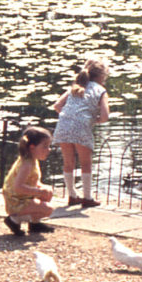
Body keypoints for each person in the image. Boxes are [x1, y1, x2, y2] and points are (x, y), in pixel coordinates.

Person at [52, 58, 110, 208]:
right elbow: (105, 116)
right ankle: (87, 198)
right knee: (86, 163)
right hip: (82, 125)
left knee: (68, 161)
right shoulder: (101, 91)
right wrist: (93, 120)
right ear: (101, 76)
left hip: (64, 124)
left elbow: (57, 106)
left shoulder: (74, 87)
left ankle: (72, 195)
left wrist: (70, 115)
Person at [1, 126, 56, 236]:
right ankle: (14, 220)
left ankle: (34, 224)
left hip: (23, 197)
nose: (48, 150)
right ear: (32, 147)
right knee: (48, 209)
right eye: (45, 147)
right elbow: (18, 187)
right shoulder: (26, 165)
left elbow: (33, 182)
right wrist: (39, 192)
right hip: (16, 201)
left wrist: (43, 188)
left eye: (49, 146)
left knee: (47, 193)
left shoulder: (33, 160)